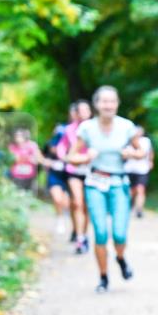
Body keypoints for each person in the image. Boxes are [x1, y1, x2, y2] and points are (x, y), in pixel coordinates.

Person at [67, 85, 144, 293]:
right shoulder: (87, 128)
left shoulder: (126, 126)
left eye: (112, 101)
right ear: (97, 104)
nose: (108, 105)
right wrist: (86, 157)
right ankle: (103, 277)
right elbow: (70, 157)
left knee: (119, 233)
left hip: (119, 184)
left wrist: (131, 153)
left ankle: (120, 258)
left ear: (117, 104)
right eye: (104, 101)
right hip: (95, 183)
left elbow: (141, 152)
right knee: (100, 232)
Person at [59, 100, 93, 253]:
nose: (84, 113)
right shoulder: (69, 130)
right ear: (76, 114)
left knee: (86, 206)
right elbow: (62, 146)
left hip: (91, 171)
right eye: (81, 110)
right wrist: (64, 157)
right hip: (73, 170)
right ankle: (79, 238)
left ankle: (83, 235)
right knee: (77, 203)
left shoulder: (95, 128)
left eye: (87, 110)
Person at [43, 111, 72, 235]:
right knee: (57, 198)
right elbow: (43, 158)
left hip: (68, 174)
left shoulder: (72, 144)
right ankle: (60, 219)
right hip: (54, 174)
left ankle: (72, 225)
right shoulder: (48, 144)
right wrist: (49, 163)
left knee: (67, 202)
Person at [123, 125, 154, 219]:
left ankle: (139, 210)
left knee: (141, 189)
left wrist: (150, 161)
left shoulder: (146, 141)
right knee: (131, 191)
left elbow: (149, 152)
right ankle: (128, 207)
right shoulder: (127, 141)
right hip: (129, 169)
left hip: (142, 170)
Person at [8, 128, 40, 193]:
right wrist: (28, 158)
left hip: (30, 176)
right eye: (16, 135)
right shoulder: (12, 146)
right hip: (16, 176)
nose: (17, 137)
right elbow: (12, 159)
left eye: (19, 135)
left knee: (29, 194)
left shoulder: (32, 145)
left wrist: (23, 158)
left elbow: (37, 159)